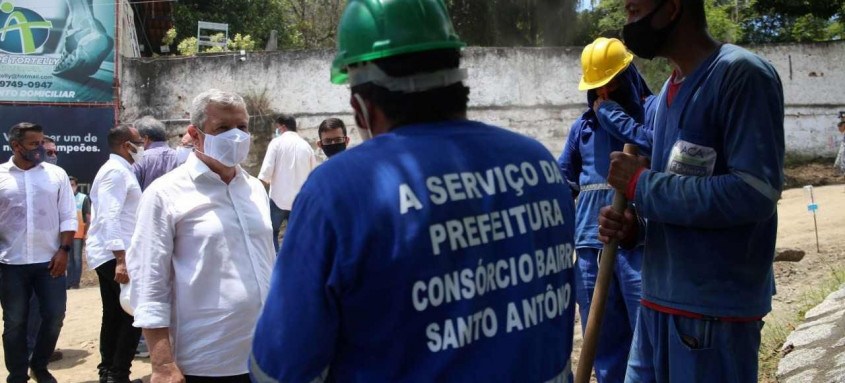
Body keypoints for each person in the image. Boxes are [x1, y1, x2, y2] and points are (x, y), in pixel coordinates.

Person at [249, 1, 576, 381]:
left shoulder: (339, 192)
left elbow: (280, 368)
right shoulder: (539, 166)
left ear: (360, 109)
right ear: (459, 79)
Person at [598, 0, 785, 381]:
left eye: (635, 10)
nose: (626, 16)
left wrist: (641, 183)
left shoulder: (740, 75)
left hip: (711, 315)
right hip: (657, 303)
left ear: (672, 9)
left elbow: (754, 193)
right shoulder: (667, 94)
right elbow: (680, 192)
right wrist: (636, 229)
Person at [127, 89, 275, 383]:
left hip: (266, 354)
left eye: (242, 127)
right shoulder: (164, 194)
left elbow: (267, 262)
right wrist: (162, 363)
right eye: (222, 128)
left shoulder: (255, 189)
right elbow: (149, 281)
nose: (236, 136)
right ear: (195, 134)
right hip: (206, 362)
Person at [558, 37, 655, 383]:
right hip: (589, 244)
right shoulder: (581, 128)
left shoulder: (652, 115)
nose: (604, 94)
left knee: (648, 338)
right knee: (604, 342)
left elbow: (656, 147)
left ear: (628, 77)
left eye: (612, 84)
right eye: (598, 87)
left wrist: (616, 119)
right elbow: (562, 179)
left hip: (636, 244)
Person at [0, 122, 77, 383]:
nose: (40, 149)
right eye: (34, 144)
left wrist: (64, 250)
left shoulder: (56, 175)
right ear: (16, 146)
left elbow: (67, 216)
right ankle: (17, 374)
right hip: (11, 263)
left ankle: (40, 365)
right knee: (14, 323)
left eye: (42, 142)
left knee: (54, 316)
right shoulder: (1, 176)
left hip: (50, 262)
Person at [86, 124, 145, 383]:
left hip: (115, 253)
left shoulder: (122, 170)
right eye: (138, 141)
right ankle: (118, 373)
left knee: (114, 314)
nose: (142, 146)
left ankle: (109, 371)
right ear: (126, 145)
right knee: (132, 314)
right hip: (116, 255)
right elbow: (110, 217)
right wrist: (121, 259)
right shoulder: (115, 173)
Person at [257, 113, 316, 251]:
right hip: (299, 202)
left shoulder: (276, 143)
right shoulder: (306, 146)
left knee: (272, 234)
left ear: (282, 127)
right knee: (298, 237)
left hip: (278, 199)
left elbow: (266, 172)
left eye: (277, 127)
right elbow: (313, 175)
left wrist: (256, 194)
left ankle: (276, 264)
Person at [132, 116, 179, 191]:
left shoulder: (140, 158)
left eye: (138, 139)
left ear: (146, 138)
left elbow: (132, 188)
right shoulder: (178, 156)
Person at [67, 176, 91, 289]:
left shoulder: (83, 198)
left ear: (76, 186)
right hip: (66, 233)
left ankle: (75, 283)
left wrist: (86, 233)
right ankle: (68, 282)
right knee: (68, 259)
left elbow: (88, 217)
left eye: (72, 185)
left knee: (76, 258)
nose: (70, 187)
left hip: (78, 233)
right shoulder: (63, 198)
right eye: (68, 185)